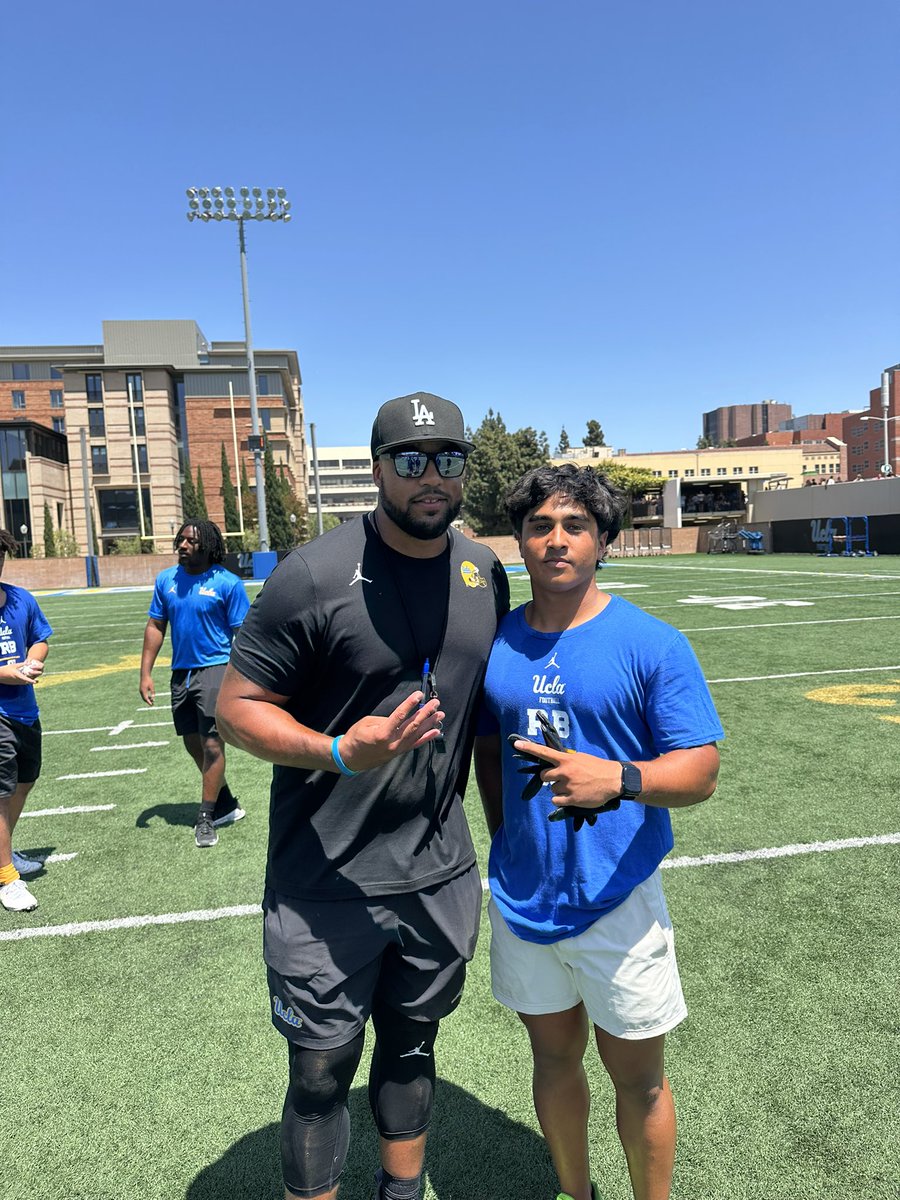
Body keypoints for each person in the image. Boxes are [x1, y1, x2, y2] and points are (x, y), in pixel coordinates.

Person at [216, 392, 510, 1200]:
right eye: (410, 460)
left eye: (448, 460)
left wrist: (503, 835)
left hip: (438, 874)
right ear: (377, 468)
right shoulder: (310, 574)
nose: (431, 479)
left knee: (414, 1048)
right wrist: (341, 752)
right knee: (319, 1072)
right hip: (327, 879)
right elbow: (234, 708)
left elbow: (481, 723)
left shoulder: (483, 571)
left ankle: (401, 1194)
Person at [474, 464, 723, 1200]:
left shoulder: (653, 643)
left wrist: (620, 778)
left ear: (603, 541)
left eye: (575, 526)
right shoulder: (498, 643)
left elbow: (702, 770)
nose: (557, 541)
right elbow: (490, 749)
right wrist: (503, 834)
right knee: (552, 1063)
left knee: (640, 1081)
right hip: (523, 898)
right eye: (540, 526)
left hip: (618, 897)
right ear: (519, 540)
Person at [140, 519, 250, 848]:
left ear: (208, 546)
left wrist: (243, 678)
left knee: (213, 745)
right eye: (180, 540)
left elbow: (242, 635)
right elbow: (156, 626)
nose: (182, 546)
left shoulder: (228, 583)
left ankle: (206, 817)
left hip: (216, 670)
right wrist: (145, 672)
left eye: (190, 541)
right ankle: (226, 802)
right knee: (193, 744)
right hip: (181, 673)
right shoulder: (166, 580)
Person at [0, 529, 53, 913]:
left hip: (25, 710)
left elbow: (40, 637)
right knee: (0, 794)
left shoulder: (21, 598)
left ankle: (4, 853)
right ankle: (6, 877)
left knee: (25, 780)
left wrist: (34, 660)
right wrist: (8, 672)